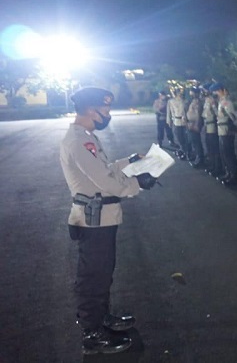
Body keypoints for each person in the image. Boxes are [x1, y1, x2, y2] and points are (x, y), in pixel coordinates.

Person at [59, 87, 158, 355]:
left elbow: (105, 170)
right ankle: (92, 334)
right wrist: (138, 182)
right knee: (93, 277)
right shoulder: (79, 141)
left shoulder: (86, 137)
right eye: (105, 109)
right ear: (92, 110)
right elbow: (105, 182)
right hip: (93, 221)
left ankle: (101, 318)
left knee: (103, 273)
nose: (108, 114)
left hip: (101, 218)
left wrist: (130, 162)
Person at [213, 83, 237, 187]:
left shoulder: (226, 102)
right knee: (224, 153)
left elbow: (232, 116)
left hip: (226, 130)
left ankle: (233, 176)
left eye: (217, 91)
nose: (216, 93)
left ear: (223, 90)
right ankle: (228, 173)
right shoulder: (220, 102)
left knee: (229, 154)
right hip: (221, 130)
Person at [202, 84, 224, 178]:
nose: (204, 92)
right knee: (210, 148)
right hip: (207, 125)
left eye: (205, 90)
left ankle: (218, 167)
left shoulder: (213, 100)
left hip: (212, 126)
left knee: (214, 148)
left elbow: (216, 113)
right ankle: (213, 165)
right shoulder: (207, 100)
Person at [167, 86, 189, 160]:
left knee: (185, 138)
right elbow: (169, 112)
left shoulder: (185, 101)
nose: (180, 94)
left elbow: (187, 112)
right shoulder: (171, 101)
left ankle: (186, 151)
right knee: (179, 137)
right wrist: (169, 121)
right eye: (179, 92)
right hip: (176, 121)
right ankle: (183, 150)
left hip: (184, 121)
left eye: (181, 92)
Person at [186, 87, 205, 168]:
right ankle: (197, 157)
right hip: (191, 124)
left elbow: (198, 114)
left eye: (192, 92)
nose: (190, 94)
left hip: (194, 124)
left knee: (196, 142)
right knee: (193, 141)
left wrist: (197, 125)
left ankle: (200, 159)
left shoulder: (197, 102)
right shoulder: (193, 101)